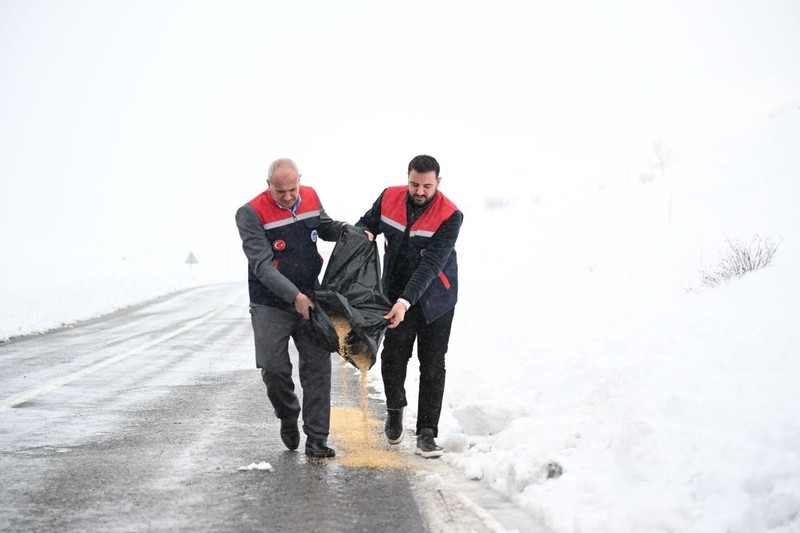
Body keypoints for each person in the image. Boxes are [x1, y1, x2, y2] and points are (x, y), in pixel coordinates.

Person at [236, 158, 345, 458]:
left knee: (318, 369)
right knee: (274, 369)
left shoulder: (309, 196)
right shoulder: (250, 213)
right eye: (280, 191)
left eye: (292, 189)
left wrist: (347, 231)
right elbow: (261, 266)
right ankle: (287, 414)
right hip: (270, 303)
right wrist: (294, 296)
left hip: (312, 297)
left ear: (300, 181)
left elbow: (323, 226)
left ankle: (317, 438)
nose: (287, 197)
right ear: (267, 184)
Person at [356, 155, 463, 458]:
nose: (419, 191)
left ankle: (427, 433)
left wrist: (406, 301)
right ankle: (394, 409)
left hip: (436, 299)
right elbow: (367, 222)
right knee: (393, 357)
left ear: (437, 183)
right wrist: (365, 232)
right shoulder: (389, 197)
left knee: (432, 364)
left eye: (427, 186)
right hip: (394, 294)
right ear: (408, 178)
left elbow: (431, 264)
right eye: (414, 184)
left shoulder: (451, 214)